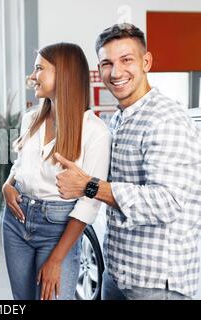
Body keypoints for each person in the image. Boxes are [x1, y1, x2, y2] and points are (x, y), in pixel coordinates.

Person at [54, 23, 201, 300]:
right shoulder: (121, 118)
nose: (116, 72)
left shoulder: (165, 119)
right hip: (120, 274)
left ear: (146, 62)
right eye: (107, 63)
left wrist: (89, 186)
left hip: (157, 283)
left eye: (126, 60)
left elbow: (168, 201)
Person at [2, 42, 111, 300]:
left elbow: (88, 205)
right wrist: (8, 184)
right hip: (16, 222)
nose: (32, 76)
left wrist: (56, 260)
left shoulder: (96, 132)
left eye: (39, 68)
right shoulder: (30, 119)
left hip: (59, 228)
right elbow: (20, 165)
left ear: (63, 74)